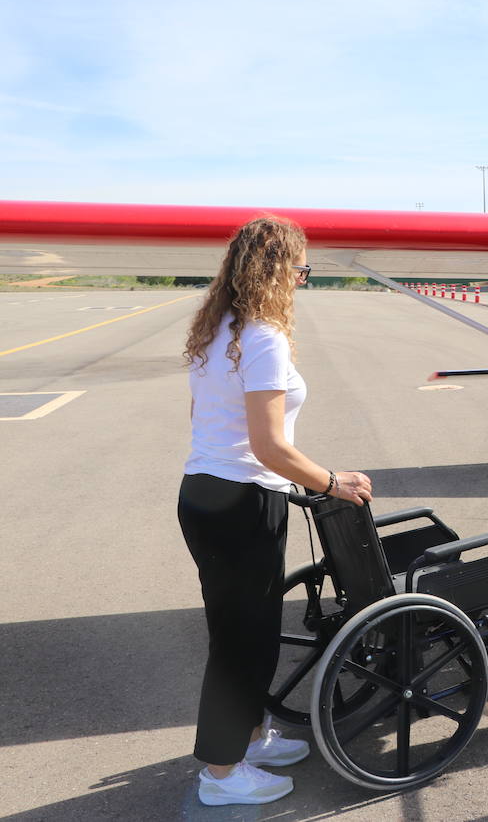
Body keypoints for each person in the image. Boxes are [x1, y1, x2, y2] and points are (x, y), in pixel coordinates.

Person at [179, 216, 373, 806]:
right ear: (278, 271)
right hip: (242, 499)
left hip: (206, 492)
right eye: (301, 270)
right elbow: (269, 445)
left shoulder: (217, 330)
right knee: (242, 640)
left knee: (245, 629)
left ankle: (250, 736)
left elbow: (203, 420)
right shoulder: (262, 336)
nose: (301, 281)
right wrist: (334, 481)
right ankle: (220, 772)